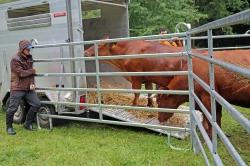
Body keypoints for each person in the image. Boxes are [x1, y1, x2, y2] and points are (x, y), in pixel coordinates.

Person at [6, 40, 41, 135]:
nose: (29, 51)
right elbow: (21, 73)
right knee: (13, 108)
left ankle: (27, 124)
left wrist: (32, 83)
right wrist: (32, 71)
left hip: (28, 88)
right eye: (28, 49)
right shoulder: (15, 59)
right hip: (17, 87)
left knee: (36, 104)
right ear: (22, 49)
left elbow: (30, 73)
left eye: (30, 49)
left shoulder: (29, 57)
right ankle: (9, 127)